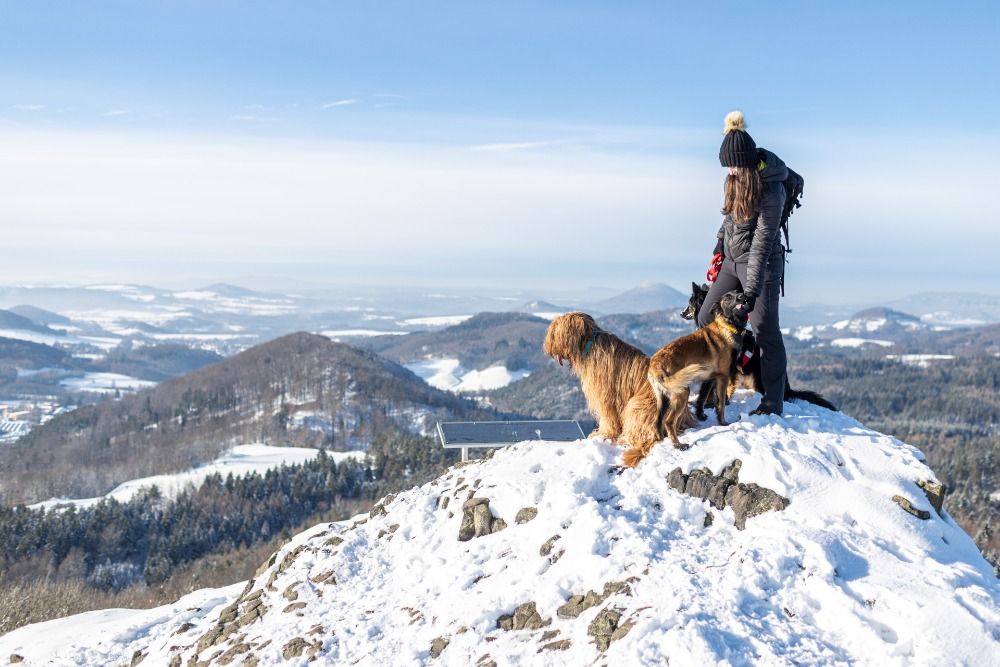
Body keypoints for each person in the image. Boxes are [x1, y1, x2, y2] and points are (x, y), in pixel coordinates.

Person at [696, 110, 788, 415]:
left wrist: (750, 293)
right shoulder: (735, 181)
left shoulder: (771, 189)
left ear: (746, 162)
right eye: (727, 166)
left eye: (734, 165)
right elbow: (728, 220)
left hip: (762, 264)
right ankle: (717, 387)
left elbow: (762, 244)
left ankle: (773, 401)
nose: (730, 171)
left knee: (765, 332)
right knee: (706, 316)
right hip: (733, 260)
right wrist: (718, 249)